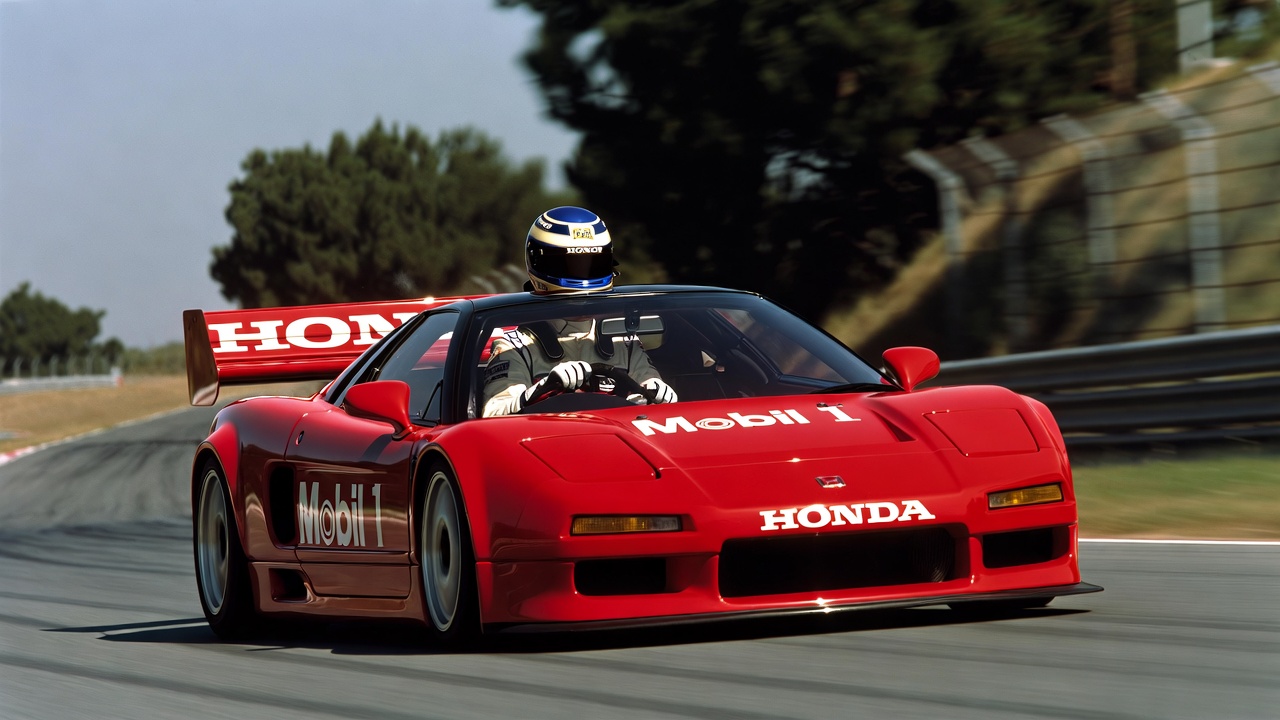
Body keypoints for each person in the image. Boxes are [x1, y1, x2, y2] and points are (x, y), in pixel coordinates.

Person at [481, 206, 677, 417]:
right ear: (537, 260)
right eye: (570, 264)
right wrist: (542, 389)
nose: (582, 275)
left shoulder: (624, 341)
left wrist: (659, 393)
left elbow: (651, 386)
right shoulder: (515, 346)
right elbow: (492, 412)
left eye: (592, 264)